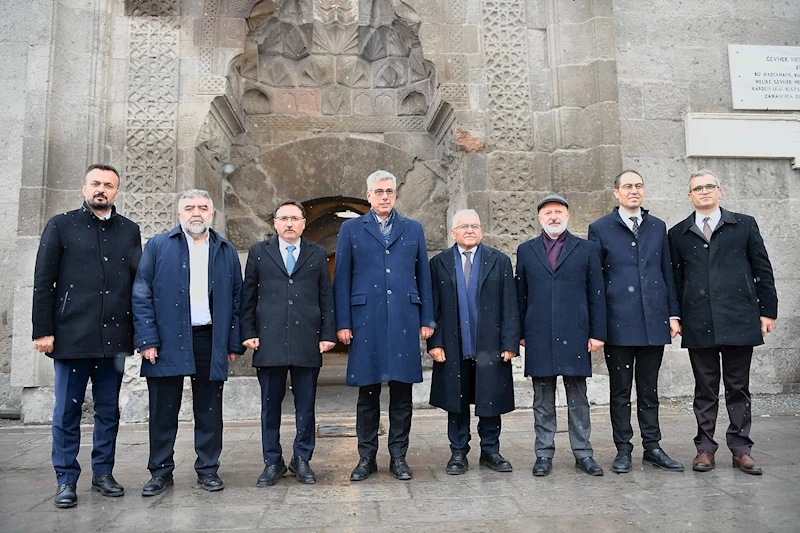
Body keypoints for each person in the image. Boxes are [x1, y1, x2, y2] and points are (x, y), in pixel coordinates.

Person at [32, 164, 142, 508]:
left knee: (109, 410)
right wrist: (43, 330)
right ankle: (66, 479)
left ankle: (103, 473)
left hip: (115, 339)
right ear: (84, 188)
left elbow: (138, 285)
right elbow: (43, 282)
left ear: (117, 192)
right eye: (96, 184)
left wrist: (139, 332)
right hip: (71, 337)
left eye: (109, 185)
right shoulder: (61, 226)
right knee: (67, 410)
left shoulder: (129, 230)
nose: (102, 190)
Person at [132, 189, 245, 495]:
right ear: (179, 214)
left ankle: (208, 469)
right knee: (163, 410)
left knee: (209, 410)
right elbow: (141, 295)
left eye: (203, 208)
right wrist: (147, 339)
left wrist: (233, 343)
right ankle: (160, 472)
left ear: (212, 214)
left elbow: (238, 299)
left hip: (209, 338)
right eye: (190, 208)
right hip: (166, 339)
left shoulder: (225, 249)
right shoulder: (158, 246)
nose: (197, 212)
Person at [668, 169, 777, 475]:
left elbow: (762, 269)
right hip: (698, 320)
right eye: (697, 188)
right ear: (689, 196)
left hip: (739, 318)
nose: (704, 191)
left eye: (709, 186)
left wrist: (767, 311)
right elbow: (674, 281)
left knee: (738, 386)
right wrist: (674, 316)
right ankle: (705, 448)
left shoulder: (743, 225)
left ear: (720, 191)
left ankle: (741, 448)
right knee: (704, 388)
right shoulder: (678, 233)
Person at [333, 170, 435, 481]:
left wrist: (427, 318)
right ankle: (366, 458)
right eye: (378, 191)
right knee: (368, 393)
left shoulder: (413, 229)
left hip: (404, 317)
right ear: (368, 196)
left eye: (389, 191)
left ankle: (398, 457)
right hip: (366, 321)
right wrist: (343, 323)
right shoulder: (351, 229)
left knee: (402, 393)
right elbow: (343, 280)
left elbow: (424, 278)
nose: (385, 196)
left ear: (395, 195)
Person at [587, 170, 685, 474]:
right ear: (616, 192)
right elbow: (596, 281)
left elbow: (666, 271)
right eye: (627, 186)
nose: (633, 191)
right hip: (618, 322)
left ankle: (653, 446)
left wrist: (672, 313)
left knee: (649, 389)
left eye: (638, 186)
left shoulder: (657, 227)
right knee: (620, 391)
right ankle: (624, 449)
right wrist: (598, 325)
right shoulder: (600, 228)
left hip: (653, 320)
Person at [240, 200, 336, 486]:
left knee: (306, 405)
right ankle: (272, 461)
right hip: (268, 340)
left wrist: (327, 334)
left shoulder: (317, 254)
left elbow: (326, 297)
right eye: (284, 218)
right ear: (275, 223)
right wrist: (248, 331)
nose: (289, 223)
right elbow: (248, 295)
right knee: (270, 405)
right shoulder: (259, 253)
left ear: (304, 223)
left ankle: (302, 458)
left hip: (307, 339)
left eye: (295, 218)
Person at [515, 194, 607, 477]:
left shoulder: (587, 249)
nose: (553, 216)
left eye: (558, 212)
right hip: (539, 333)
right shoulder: (527, 250)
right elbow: (521, 294)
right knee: (542, 399)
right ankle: (543, 454)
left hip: (576, 332)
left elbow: (596, 293)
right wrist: (520, 332)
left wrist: (597, 333)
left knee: (578, 397)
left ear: (567, 216)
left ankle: (583, 453)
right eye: (548, 213)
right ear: (540, 219)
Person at [427, 209, 519, 475]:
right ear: (452, 233)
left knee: (490, 398)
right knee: (456, 400)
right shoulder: (439, 263)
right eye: (463, 226)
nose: (469, 230)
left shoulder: (499, 261)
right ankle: (458, 452)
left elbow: (509, 304)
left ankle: (491, 450)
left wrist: (509, 342)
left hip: (490, 344)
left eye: (475, 225)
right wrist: (435, 342)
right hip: (453, 346)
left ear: (481, 231)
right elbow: (435, 307)